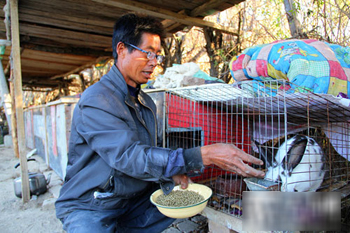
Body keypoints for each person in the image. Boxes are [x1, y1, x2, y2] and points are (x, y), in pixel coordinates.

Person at [55, 13, 265, 233]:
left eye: (157, 55)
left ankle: (289, 214)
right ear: (121, 49)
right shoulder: (98, 100)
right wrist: (204, 154)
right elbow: (130, 156)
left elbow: (150, 152)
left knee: (197, 198)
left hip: (132, 199)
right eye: (147, 53)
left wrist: (172, 172)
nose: (154, 62)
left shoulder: (144, 101)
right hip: (92, 205)